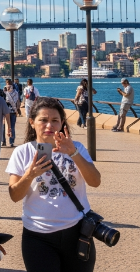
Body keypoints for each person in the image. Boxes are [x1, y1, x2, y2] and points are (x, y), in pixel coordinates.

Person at [6, 97, 102, 272]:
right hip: (37, 236)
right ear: (32, 122)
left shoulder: (77, 147)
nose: (49, 126)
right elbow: (14, 195)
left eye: (54, 120)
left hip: (77, 232)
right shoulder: (22, 152)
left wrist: (73, 153)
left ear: (62, 123)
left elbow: (95, 181)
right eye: (43, 120)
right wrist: (30, 174)